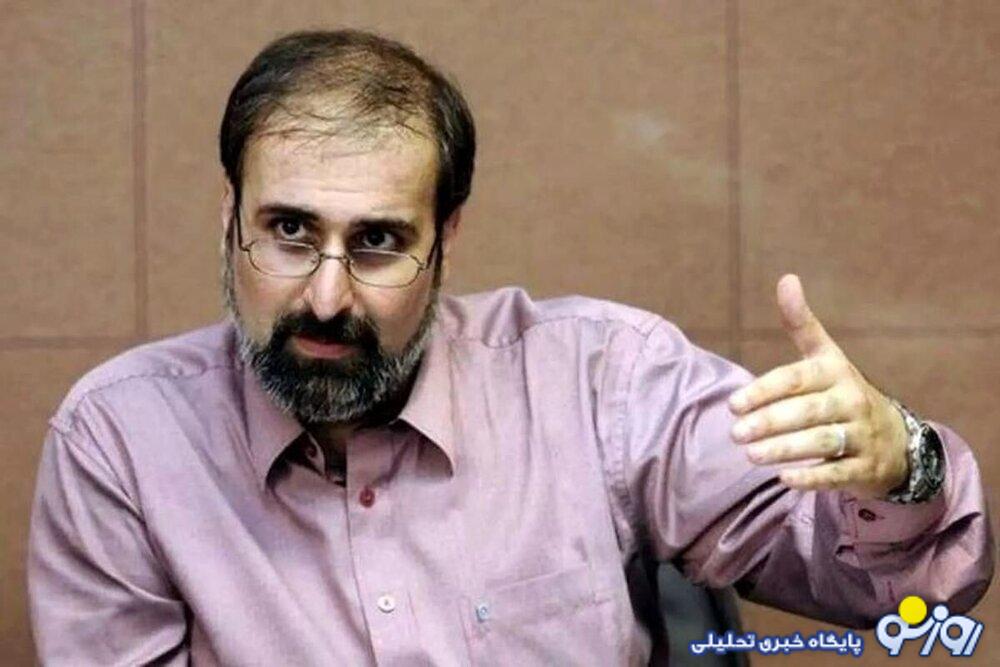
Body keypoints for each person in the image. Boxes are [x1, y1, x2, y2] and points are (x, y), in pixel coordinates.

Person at [27, 29, 993, 665]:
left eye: (378, 241)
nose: (325, 296)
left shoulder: (600, 382)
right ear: (229, 217)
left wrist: (901, 464)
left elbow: (907, 596)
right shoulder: (121, 443)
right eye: (288, 231)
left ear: (445, 238)